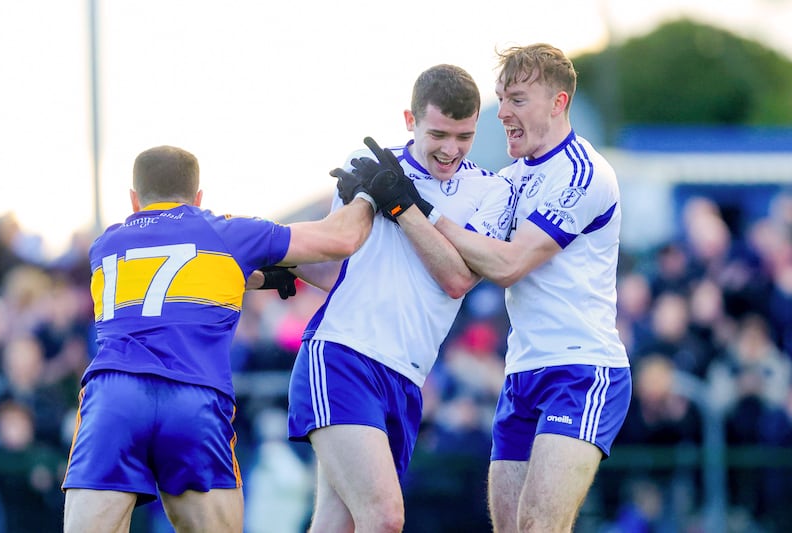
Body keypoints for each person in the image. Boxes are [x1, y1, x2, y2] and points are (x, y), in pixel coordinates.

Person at [358, 44, 632, 532]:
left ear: (559, 102)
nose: (502, 112)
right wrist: (379, 211)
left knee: (538, 526)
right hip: (520, 372)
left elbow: (507, 264)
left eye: (518, 99)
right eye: (502, 98)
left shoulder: (585, 174)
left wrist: (415, 208)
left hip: (581, 370)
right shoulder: (506, 181)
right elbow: (458, 266)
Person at [61, 145, 377, 533]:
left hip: (114, 395)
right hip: (194, 396)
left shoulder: (105, 245)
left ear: (133, 199)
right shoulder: (225, 231)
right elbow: (340, 239)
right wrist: (370, 194)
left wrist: (250, 276)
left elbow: (160, 282)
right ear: (198, 197)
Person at [286, 64, 516, 532]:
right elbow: (340, 267)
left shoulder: (493, 190)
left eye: (464, 136)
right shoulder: (367, 163)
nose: (451, 149)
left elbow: (456, 279)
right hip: (343, 354)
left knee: (338, 524)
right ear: (410, 120)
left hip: (407, 375)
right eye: (439, 134)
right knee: (384, 519)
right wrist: (274, 265)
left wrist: (402, 206)